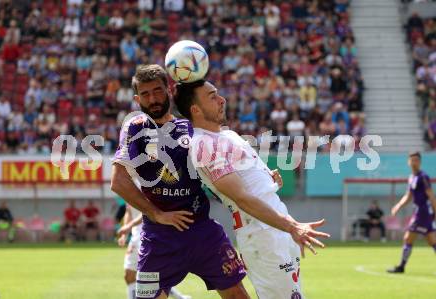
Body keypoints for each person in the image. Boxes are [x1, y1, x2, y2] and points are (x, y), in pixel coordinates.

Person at [174, 80, 330, 299]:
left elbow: (250, 184)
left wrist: (269, 178)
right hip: (261, 233)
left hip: (276, 225)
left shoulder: (227, 135)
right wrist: (293, 227)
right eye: (212, 96)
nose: (222, 100)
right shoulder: (203, 145)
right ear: (195, 110)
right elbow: (242, 198)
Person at [110, 64, 249, 299]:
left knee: (238, 295)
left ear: (169, 90)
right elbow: (118, 181)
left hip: (202, 231)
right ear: (137, 99)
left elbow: (221, 166)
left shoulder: (191, 129)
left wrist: (262, 176)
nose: (152, 99)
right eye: (145, 94)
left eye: (157, 91)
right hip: (159, 239)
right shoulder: (135, 128)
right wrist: (157, 214)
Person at [117, 204, 191, 299]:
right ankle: (180, 297)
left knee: (152, 278)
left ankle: (179, 297)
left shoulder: (146, 189)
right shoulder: (128, 190)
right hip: (135, 238)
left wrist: (128, 226)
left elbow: (148, 210)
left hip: (148, 236)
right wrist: (125, 234)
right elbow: (129, 211)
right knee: (129, 275)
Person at [387, 152, 436, 273]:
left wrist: (435, 212)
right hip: (420, 213)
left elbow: (431, 196)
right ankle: (401, 266)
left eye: (416, 160)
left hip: (423, 213)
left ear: (419, 162)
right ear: (408, 162)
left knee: (408, 238)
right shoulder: (411, 177)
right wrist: (398, 206)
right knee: (432, 241)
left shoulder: (423, 177)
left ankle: (401, 266)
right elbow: (409, 196)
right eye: (412, 160)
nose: (414, 163)